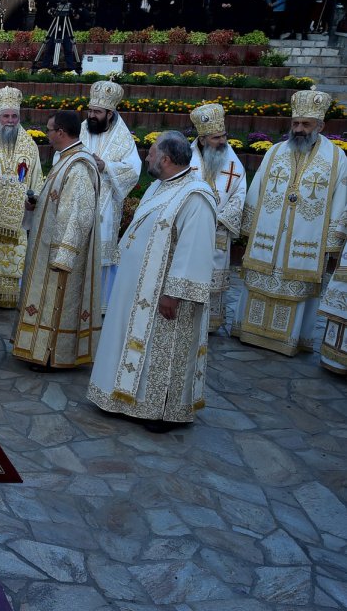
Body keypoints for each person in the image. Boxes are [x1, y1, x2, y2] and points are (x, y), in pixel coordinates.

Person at [87, 132, 216, 432]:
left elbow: (194, 249)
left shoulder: (195, 197)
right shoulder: (159, 186)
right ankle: (125, 400)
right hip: (137, 286)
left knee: (164, 352)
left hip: (164, 294)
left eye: (151, 152)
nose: (146, 157)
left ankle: (161, 412)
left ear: (166, 160)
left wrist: (174, 293)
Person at [236, 91, 347, 355]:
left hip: (305, 239)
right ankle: (249, 332)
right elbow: (257, 188)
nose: (298, 129)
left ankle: (290, 339)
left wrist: (332, 240)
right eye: (295, 123)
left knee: (296, 284)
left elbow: (340, 199)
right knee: (260, 278)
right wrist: (249, 227)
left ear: (320, 126)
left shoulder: (336, 159)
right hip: (269, 235)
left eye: (305, 124)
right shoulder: (274, 152)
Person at [12, 110, 102, 370]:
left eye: (49, 130)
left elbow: (79, 212)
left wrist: (65, 253)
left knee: (55, 301)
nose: (47, 135)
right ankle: (36, 350)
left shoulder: (79, 166)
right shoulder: (65, 159)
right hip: (48, 245)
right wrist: (37, 203)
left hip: (60, 252)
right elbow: (60, 202)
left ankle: (50, 356)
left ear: (61, 132)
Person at [71, 81, 141, 312]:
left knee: (101, 258)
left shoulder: (123, 137)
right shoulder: (81, 128)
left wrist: (107, 166)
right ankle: (74, 300)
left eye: (97, 112)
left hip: (107, 206)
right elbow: (64, 154)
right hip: (77, 200)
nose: (91, 115)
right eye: (90, 110)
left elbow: (133, 169)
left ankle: (98, 304)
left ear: (110, 114)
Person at [0, 87, 45, 308]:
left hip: (18, 219)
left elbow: (38, 179)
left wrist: (34, 199)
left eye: (15, 116)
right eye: (6, 116)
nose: (11, 121)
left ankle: (12, 297)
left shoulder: (29, 146)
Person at [188, 104, 246, 332]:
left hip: (218, 230)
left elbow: (240, 193)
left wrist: (221, 218)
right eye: (215, 138)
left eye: (224, 136)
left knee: (213, 277)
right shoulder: (187, 159)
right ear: (202, 140)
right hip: (191, 229)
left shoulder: (233, 162)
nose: (222, 142)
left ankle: (211, 323)